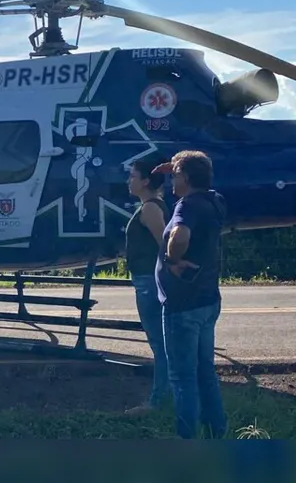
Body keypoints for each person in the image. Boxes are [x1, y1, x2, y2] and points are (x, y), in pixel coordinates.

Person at [154, 150, 228, 439]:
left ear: (185, 178)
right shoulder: (214, 200)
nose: (172, 180)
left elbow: (180, 235)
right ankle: (216, 432)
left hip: (182, 304)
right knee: (204, 372)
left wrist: (172, 258)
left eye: (175, 175)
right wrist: (174, 165)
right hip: (207, 298)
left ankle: (186, 441)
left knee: (182, 377)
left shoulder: (187, 206)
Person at [124, 157, 170, 415]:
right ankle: (166, 395)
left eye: (133, 176)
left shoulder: (151, 209)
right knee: (162, 344)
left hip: (149, 283)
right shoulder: (150, 206)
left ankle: (158, 400)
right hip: (147, 281)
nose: (129, 180)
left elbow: (165, 247)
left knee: (159, 344)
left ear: (145, 181)